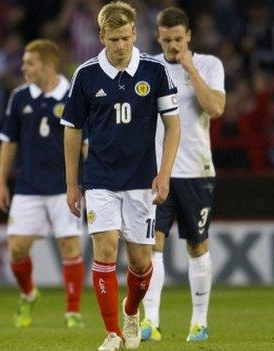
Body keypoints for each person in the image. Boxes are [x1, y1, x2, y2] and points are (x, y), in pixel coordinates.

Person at [61, 2, 181, 350]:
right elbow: (71, 131)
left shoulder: (154, 71)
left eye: (126, 38)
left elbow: (173, 125)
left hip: (142, 180)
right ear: (101, 37)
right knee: (106, 250)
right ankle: (112, 333)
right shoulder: (85, 74)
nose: (120, 46)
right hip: (99, 179)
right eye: (113, 39)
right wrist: (72, 184)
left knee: (142, 262)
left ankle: (131, 311)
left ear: (135, 34)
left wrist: (164, 173)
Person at [140, 7, 225, 343]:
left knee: (197, 245)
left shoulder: (208, 65)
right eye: (166, 40)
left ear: (189, 35)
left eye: (178, 38)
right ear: (157, 38)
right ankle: (152, 322)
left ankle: (199, 323)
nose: (173, 45)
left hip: (196, 170)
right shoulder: (149, 68)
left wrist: (189, 68)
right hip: (158, 173)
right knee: (151, 246)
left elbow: (216, 109)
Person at [0, 39, 85, 328]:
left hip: (64, 186)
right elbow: (9, 142)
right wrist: (0, 181)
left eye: (29, 63)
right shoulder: (20, 97)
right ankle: (29, 293)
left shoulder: (73, 95)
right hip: (29, 186)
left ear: (48, 65)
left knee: (70, 247)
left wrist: (90, 179)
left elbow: (86, 142)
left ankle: (72, 312)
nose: (23, 68)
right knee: (17, 248)